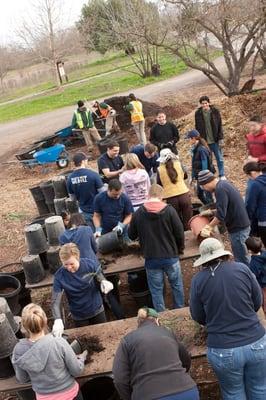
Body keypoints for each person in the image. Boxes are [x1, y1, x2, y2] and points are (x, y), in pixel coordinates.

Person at [190, 238, 266, 400]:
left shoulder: (198, 280)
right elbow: (257, 300)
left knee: (233, 393)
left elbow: (197, 315)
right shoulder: (242, 269)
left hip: (223, 349)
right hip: (257, 342)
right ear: (223, 254)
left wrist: (213, 320)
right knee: (260, 388)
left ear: (204, 260)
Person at [113, 307, 199, 400]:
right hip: (187, 392)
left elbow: (119, 379)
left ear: (139, 323)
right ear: (157, 321)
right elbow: (186, 360)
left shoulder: (127, 340)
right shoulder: (168, 333)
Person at [12, 303, 87, 400]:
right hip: (70, 395)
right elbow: (76, 371)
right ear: (45, 320)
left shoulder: (19, 350)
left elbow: (22, 379)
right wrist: (81, 359)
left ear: (23, 325)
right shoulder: (59, 343)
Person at [128, 184, 185, 311]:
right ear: (161, 196)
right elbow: (179, 233)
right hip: (171, 256)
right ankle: (180, 311)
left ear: (148, 195)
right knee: (176, 285)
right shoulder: (170, 211)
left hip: (151, 258)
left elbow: (131, 235)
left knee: (156, 290)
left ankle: (161, 316)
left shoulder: (139, 213)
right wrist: (180, 249)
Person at [59, 214, 125, 320]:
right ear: (81, 222)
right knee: (108, 294)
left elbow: (64, 255)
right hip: (93, 267)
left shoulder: (62, 237)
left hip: (76, 272)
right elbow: (95, 248)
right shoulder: (86, 230)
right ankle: (120, 317)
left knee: (86, 295)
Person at [52, 243, 114, 331]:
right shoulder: (59, 276)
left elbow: (99, 275)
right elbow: (55, 301)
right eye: (65, 264)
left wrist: (104, 281)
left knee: (104, 334)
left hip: (97, 309)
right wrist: (57, 319)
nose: (69, 267)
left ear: (78, 258)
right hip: (79, 316)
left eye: (72, 264)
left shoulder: (89, 265)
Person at [198, 170, 251, 266]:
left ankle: (249, 277)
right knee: (242, 256)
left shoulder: (220, 189)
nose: (205, 189)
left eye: (204, 187)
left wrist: (208, 227)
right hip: (241, 224)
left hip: (238, 228)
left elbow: (221, 215)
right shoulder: (223, 184)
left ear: (207, 182)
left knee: (242, 259)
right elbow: (227, 207)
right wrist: (211, 212)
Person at [157, 148, 192, 231]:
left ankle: (181, 240)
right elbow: (185, 176)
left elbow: (159, 183)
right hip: (184, 195)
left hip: (171, 198)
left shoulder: (159, 169)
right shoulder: (178, 164)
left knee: (176, 222)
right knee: (188, 221)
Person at [67, 152, 104, 226]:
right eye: (86, 160)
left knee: (91, 234)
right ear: (83, 161)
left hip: (83, 211)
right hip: (98, 210)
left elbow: (72, 198)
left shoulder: (70, 178)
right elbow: (102, 193)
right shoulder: (93, 174)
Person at [195, 96, 225, 178]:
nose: (204, 105)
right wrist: (199, 139)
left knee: (219, 158)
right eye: (202, 104)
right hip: (205, 141)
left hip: (215, 140)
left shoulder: (215, 111)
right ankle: (211, 175)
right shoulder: (198, 114)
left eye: (206, 103)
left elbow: (220, 125)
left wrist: (221, 138)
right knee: (208, 159)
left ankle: (222, 174)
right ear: (200, 104)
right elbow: (197, 127)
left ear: (209, 103)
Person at [187, 129, 214, 205]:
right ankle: (207, 207)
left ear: (193, 138)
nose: (188, 141)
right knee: (199, 194)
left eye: (189, 139)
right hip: (199, 176)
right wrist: (192, 176)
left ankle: (212, 210)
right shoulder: (195, 148)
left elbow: (205, 164)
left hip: (205, 177)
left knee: (208, 196)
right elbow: (194, 163)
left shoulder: (201, 149)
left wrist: (203, 179)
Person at [243, 162, 266, 244]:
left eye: (248, 175)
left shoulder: (255, 185)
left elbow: (250, 205)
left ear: (252, 173)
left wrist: (247, 220)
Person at [246, 236, 266, 311]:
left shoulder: (253, 264)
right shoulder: (264, 253)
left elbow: (254, 276)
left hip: (263, 284)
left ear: (249, 250)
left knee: (264, 298)